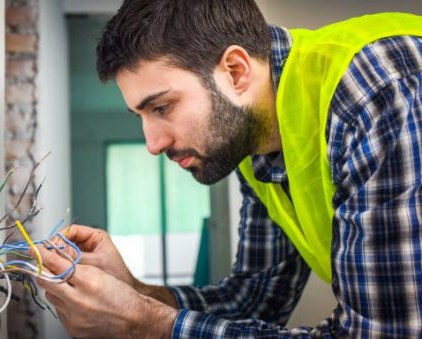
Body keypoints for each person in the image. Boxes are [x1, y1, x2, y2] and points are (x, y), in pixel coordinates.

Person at [36, 0, 422, 337]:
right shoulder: (253, 136)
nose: (153, 144)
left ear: (235, 71)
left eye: (162, 107)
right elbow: (253, 300)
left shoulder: (379, 89)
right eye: (141, 114)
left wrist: (145, 325)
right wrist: (136, 291)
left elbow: (388, 332)